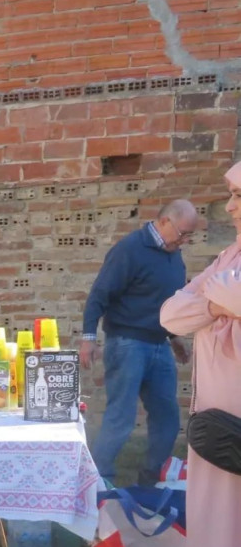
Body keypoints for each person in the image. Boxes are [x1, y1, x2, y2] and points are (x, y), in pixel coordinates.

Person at [160, 163, 241, 547]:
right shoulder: (230, 256)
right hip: (223, 425)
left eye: (239, 195)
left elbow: (216, 299)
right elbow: (171, 314)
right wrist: (220, 297)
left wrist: (211, 297)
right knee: (225, 521)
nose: (230, 207)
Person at [80, 199, 199, 486]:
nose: (184, 241)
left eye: (189, 236)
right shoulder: (130, 249)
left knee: (167, 418)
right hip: (127, 344)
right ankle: (97, 484)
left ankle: (150, 482)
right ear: (165, 222)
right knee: (120, 417)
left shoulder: (174, 254)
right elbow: (99, 295)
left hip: (159, 346)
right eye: (182, 233)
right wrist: (88, 338)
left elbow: (165, 302)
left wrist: (174, 338)